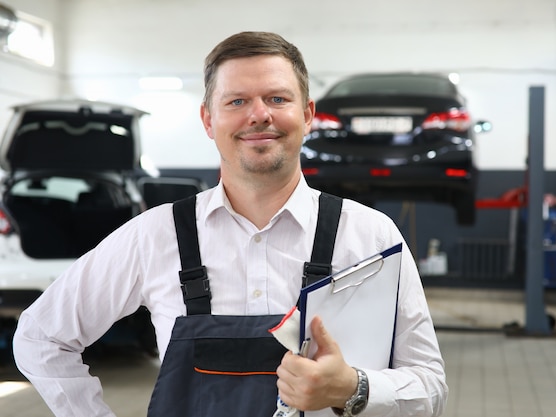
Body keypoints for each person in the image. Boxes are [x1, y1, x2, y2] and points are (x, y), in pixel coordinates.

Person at [13, 31, 448, 417]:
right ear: (208, 119)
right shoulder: (155, 235)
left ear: (308, 114)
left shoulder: (371, 236)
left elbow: (430, 387)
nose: (258, 115)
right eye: (237, 101)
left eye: (277, 99)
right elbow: (40, 337)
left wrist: (355, 388)